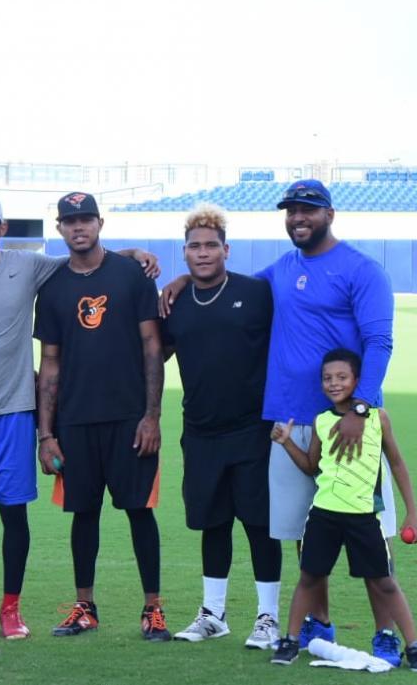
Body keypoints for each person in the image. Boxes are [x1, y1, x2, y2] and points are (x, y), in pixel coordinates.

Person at [162, 179, 396, 652]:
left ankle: (388, 633)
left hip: (346, 422)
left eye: (307, 210)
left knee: (371, 536)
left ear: (329, 213)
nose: (297, 218)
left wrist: (360, 407)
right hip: (287, 424)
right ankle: (318, 623)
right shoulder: (281, 270)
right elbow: (224, 281)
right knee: (301, 535)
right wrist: (185, 278)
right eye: (291, 210)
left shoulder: (362, 269)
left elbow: (379, 341)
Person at [0, 193, 160, 640]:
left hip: (29, 409)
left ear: (2, 229)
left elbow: (147, 334)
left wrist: (134, 255)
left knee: (25, 511)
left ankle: (17, 609)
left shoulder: (35, 266)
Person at [34, 191, 170, 642]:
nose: (79, 227)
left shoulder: (131, 274)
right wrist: (46, 433)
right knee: (83, 514)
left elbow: (153, 347)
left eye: (86, 219)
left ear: (100, 223)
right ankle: (85, 607)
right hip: (75, 422)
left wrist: (151, 416)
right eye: (70, 221)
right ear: (59, 228)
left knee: (138, 512)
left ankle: (153, 609)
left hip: (129, 418)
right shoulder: (52, 287)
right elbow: (49, 363)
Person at [160, 204, 283, 648]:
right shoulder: (173, 304)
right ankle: (214, 614)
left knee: (258, 525)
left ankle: (268, 617)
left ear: (226, 249)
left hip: (254, 431)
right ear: (185, 253)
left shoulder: (256, 293)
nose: (203, 252)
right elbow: (155, 355)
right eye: (195, 246)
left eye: (211, 245)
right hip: (200, 432)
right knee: (213, 524)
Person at [268, 349, 417, 672]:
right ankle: (290, 640)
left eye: (342, 377)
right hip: (324, 516)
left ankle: (414, 645)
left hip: (364, 517)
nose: (334, 383)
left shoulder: (378, 419)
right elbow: (312, 466)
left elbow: (396, 463)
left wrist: (412, 512)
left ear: (357, 380)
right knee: (309, 578)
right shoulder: (321, 421)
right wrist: (286, 442)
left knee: (384, 581)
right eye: (327, 378)